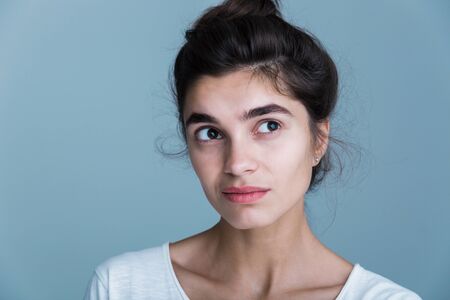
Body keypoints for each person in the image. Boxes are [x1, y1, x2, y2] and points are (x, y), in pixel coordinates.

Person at [83, 0, 422, 299]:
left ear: (319, 138)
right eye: (211, 133)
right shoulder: (122, 287)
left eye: (269, 126)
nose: (238, 163)